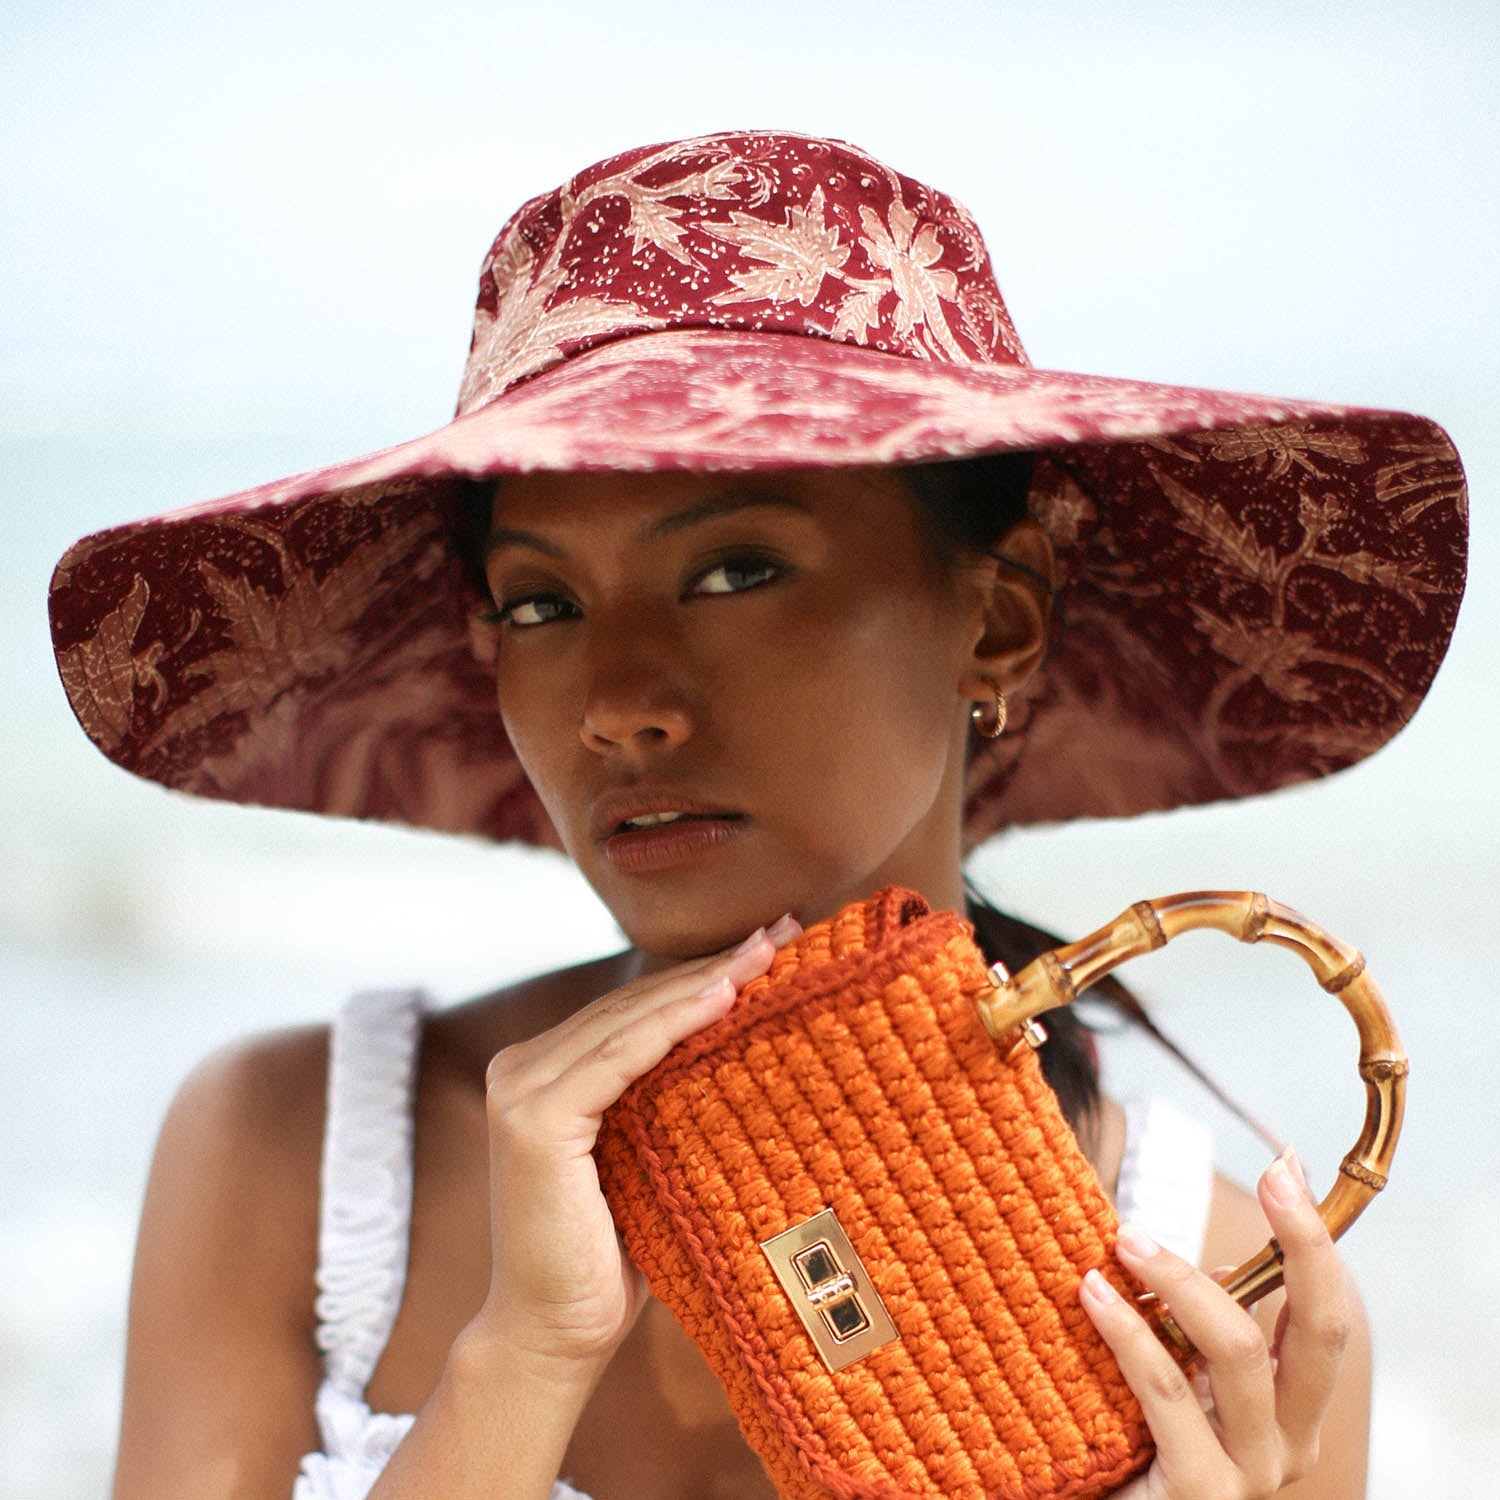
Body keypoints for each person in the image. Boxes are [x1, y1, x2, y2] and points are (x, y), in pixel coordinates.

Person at [48, 130, 1467, 1500]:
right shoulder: (290, 1154)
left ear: (999, 621)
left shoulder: (1222, 1314)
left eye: (735, 570)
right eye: (538, 602)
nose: (616, 704)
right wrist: (520, 1363)